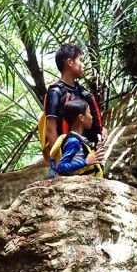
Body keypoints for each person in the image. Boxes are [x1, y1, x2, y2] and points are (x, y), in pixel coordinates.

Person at [43, 44, 108, 177]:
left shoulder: (82, 92)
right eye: (81, 60)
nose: (83, 65)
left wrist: (100, 130)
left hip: (88, 158)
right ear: (70, 62)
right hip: (71, 158)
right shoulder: (55, 92)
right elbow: (51, 129)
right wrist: (59, 162)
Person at [50, 100, 105, 177]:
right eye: (89, 113)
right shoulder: (73, 141)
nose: (92, 117)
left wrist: (96, 154)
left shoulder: (81, 139)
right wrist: (85, 162)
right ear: (81, 117)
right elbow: (61, 168)